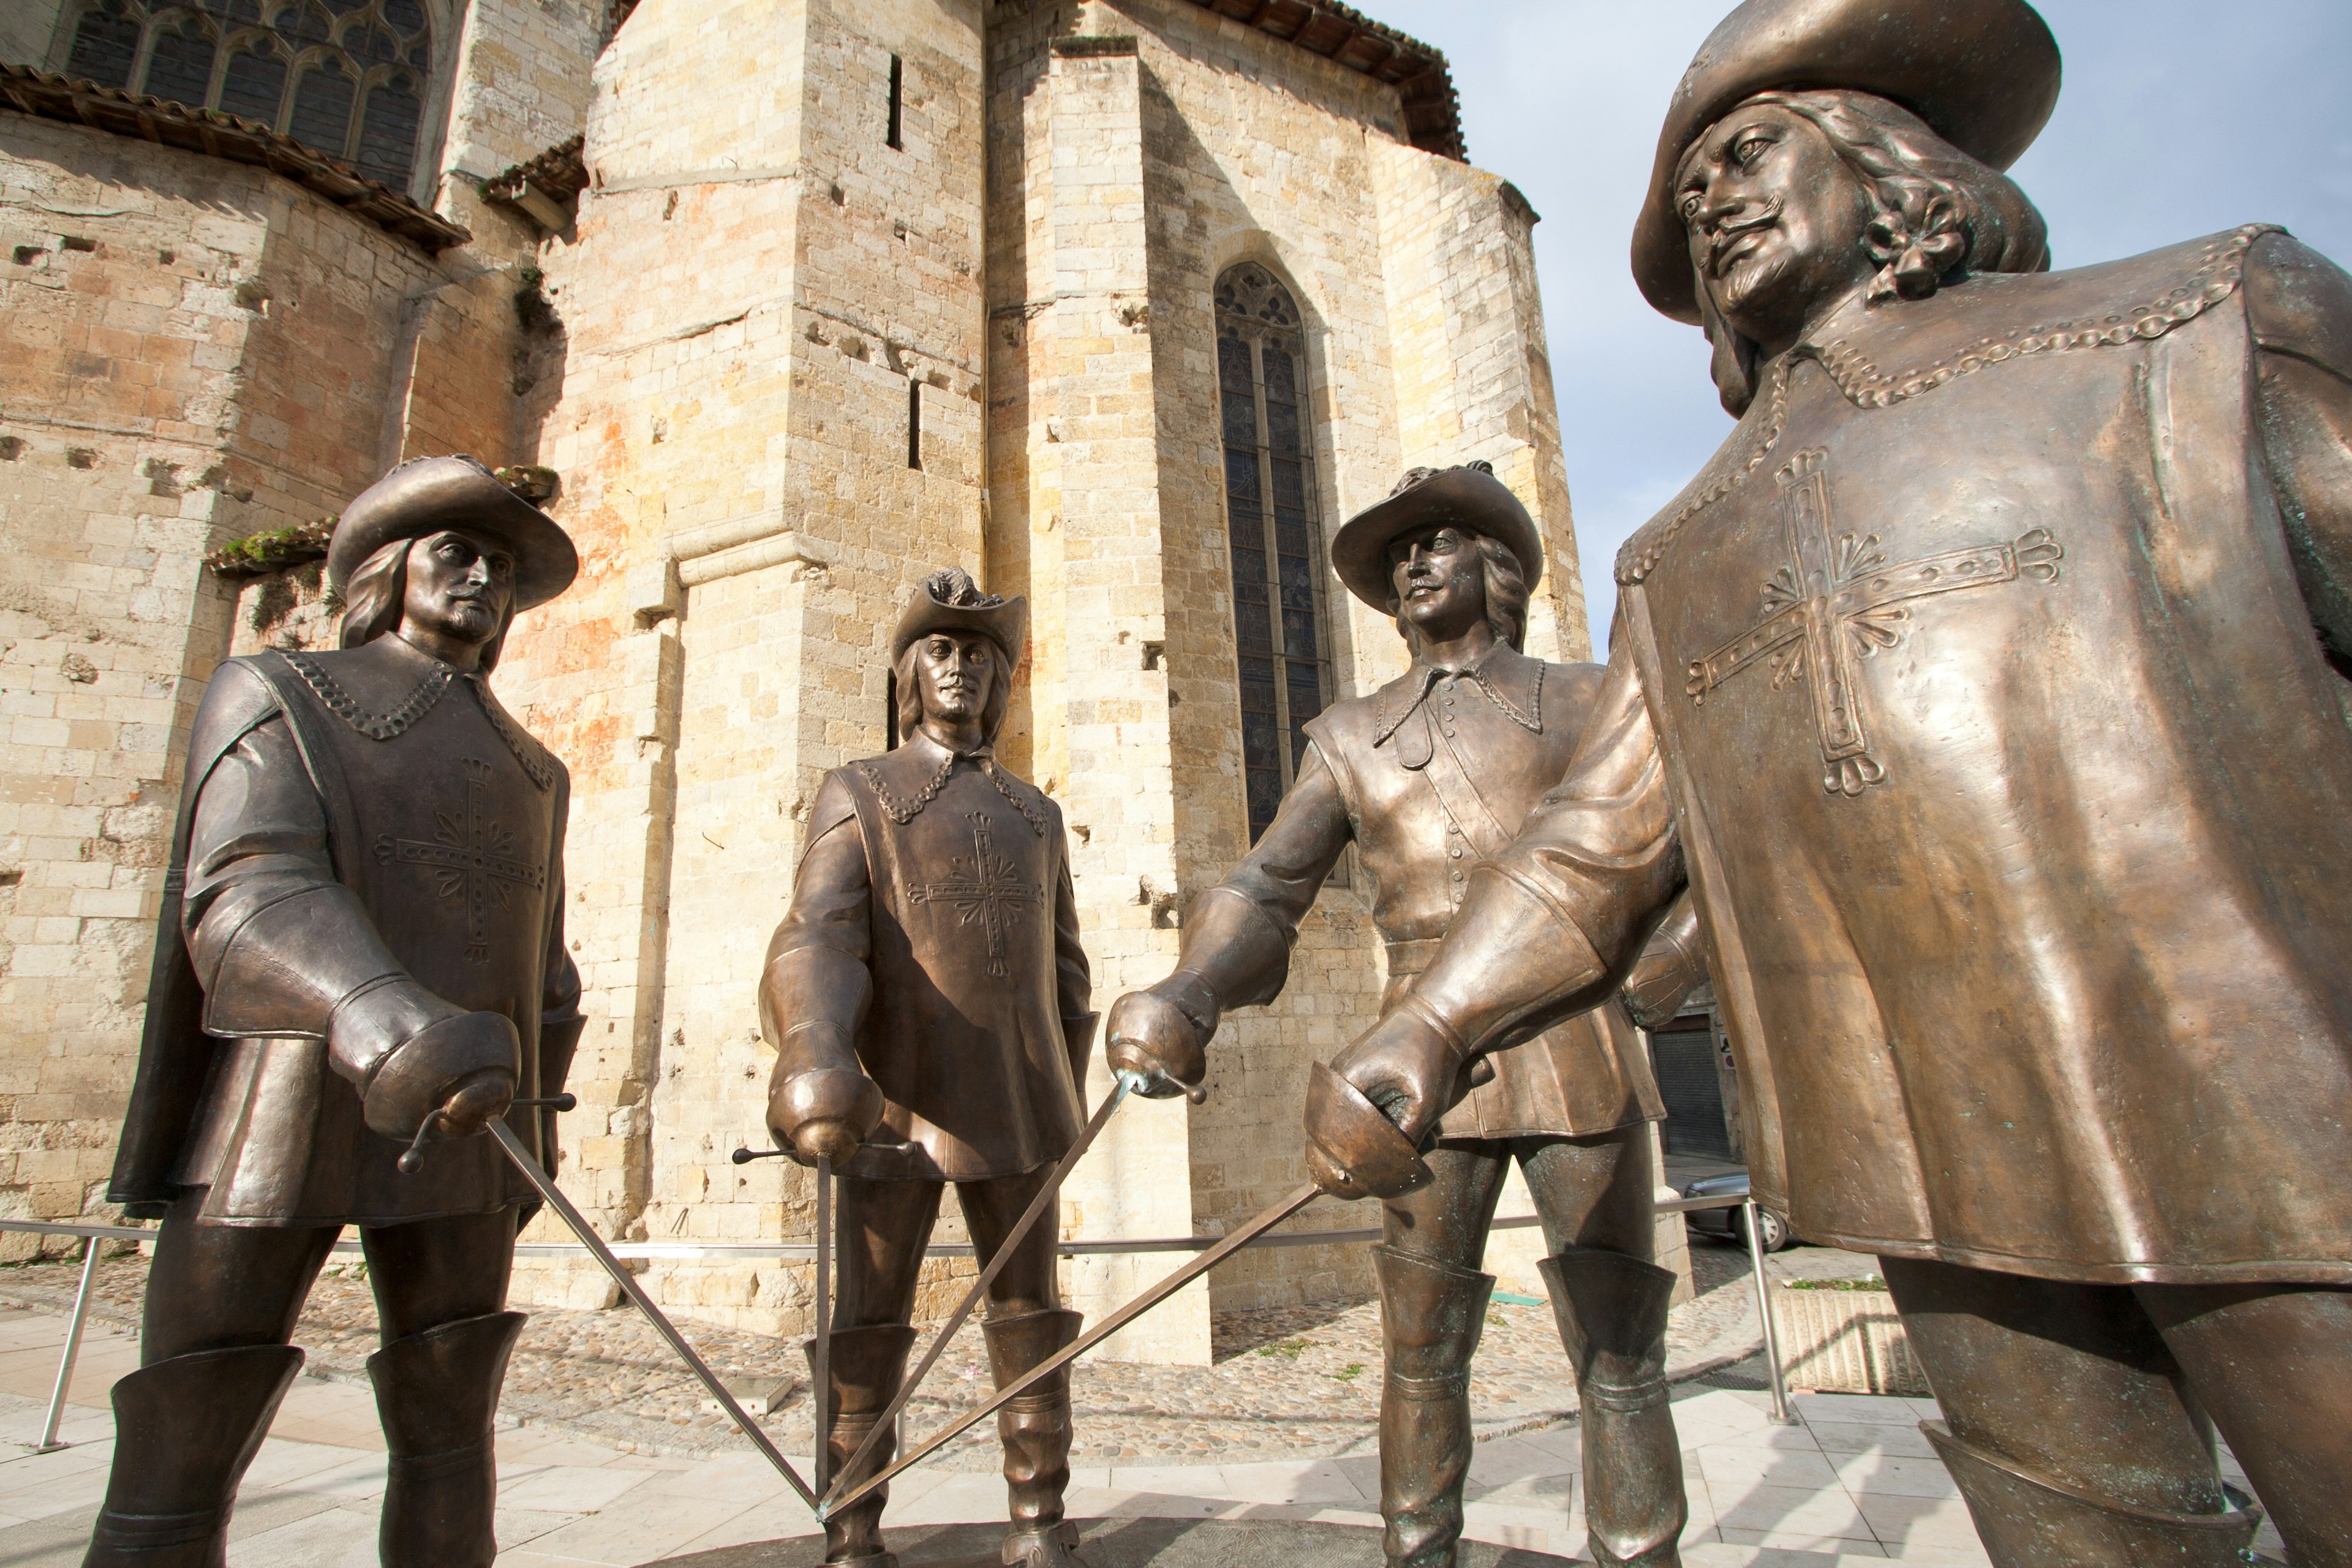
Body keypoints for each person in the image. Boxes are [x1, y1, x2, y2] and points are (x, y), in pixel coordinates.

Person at [1305, 2, 2352, 1564]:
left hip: (2278, 1100)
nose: (1712, 198)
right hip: (1941, 1160)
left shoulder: (2195, 321)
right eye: (1687, 190)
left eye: (1752, 151)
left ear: (1890, 160)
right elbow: (1594, 845)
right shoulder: (1684, 552)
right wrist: (1431, 1021)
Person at [1106, 462, 1703, 1568]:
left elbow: (1688, 845)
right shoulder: (1350, 732)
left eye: (1439, 539)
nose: (1415, 562)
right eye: (1400, 555)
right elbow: (1266, 888)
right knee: (1422, 1347)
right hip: (1413, 1073)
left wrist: (1668, 967)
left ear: (1500, 565)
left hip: (1579, 1044)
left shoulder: (1587, 697)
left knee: (1620, 1351)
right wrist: (1191, 989)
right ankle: (1418, 1556)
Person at [92, 454, 584, 1567]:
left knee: (451, 1421)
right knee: (190, 1416)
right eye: (455, 552)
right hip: (284, 1102)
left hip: (472, 1121)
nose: (481, 580)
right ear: (387, 567)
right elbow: (246, 887)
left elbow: (542, 961)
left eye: (500, 567)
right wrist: (376, 1014)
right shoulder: (277, 689)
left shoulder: (535, 767)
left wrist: (539, 1116)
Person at [760, 568, 1097, 1568]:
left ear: (1003, 679)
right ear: (911, 671)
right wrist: (812, 1045)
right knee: (868, 1320)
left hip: (1022, 1100)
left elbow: (1067, 969)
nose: (961, 670)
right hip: (895, 1103)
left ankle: (1039, 1519)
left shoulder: (1037, 814)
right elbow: (816, 935)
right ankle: (854, 1525)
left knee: (1031, 1316)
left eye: (980, 656)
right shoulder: (859, 792)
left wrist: (1063, 1089)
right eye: (941, 651)